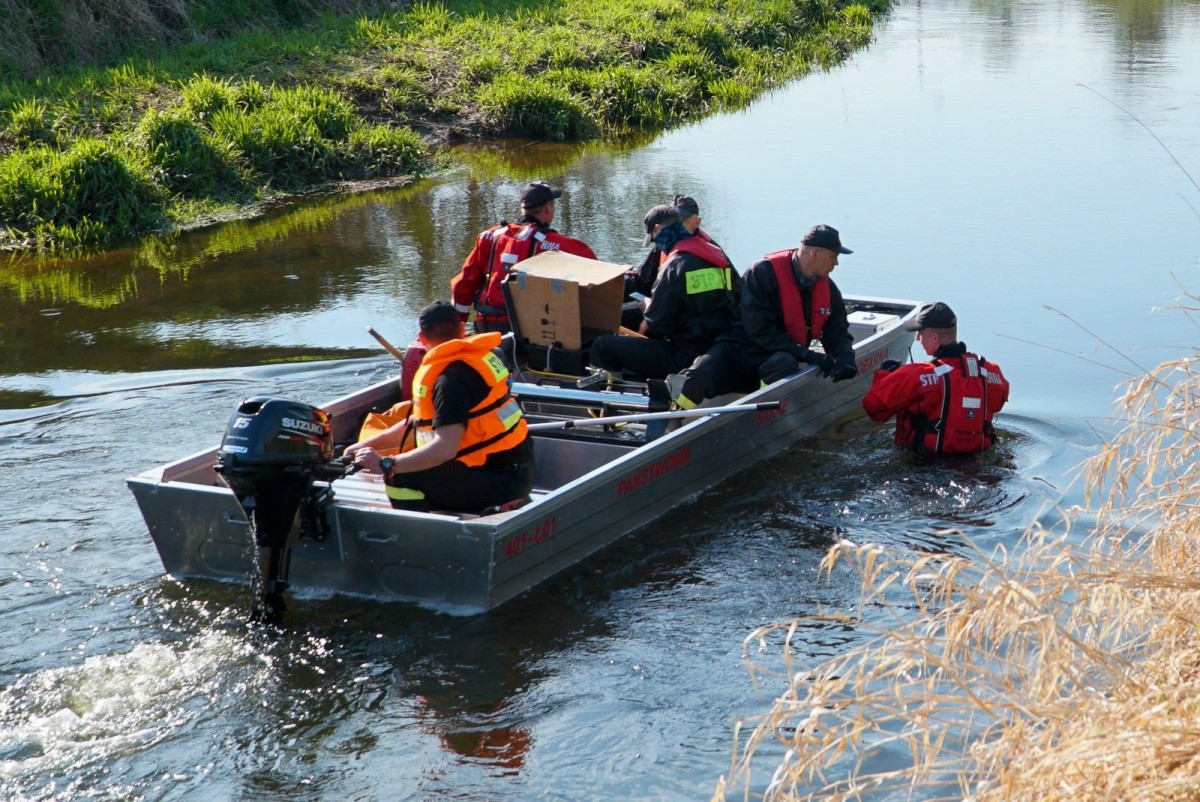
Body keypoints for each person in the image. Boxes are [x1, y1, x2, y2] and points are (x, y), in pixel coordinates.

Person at [348, 300, 534, 512]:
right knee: (411, 460)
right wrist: (359, 448)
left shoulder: (450, 380)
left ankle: (418, 535)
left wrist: (385, 464)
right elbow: (416, 425)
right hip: (513, 470)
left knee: (399, 476)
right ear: (463, 329)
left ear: (421, 338)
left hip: (501, 483)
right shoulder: (474, 359)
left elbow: (444, 449)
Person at [670, 224, 858, 408]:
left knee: (784, 364)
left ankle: (763, 410)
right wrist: (809, 355)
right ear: (814, 254)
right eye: (833, 256)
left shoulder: (828, 290)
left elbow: (837, 332)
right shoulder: (761, 274)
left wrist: (845, 356)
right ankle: (670, 420)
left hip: (775, 358)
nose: (836, 263)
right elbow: (760, 331)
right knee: (699, 373)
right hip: (739, 350)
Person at [590, 203, 740, 381]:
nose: (658, 247)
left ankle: (608, 395)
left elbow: (658, 325)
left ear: (658, 229)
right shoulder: (716, 255)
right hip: (719, 351)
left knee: (602, 346)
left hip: (683, 358)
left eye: (654, 238)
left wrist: (647, 306)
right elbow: (738, 298)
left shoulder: (673, 266)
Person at [862, 301, 1010, 455]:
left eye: (921, 332)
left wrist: (884, 375)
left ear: (934, 337)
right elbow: (996, 403)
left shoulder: (916, 374)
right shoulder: (992, 372)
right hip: (976, 461)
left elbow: (874, 408)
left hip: (923, 465)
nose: (918, 338)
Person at [451, 180, 598, 334]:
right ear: (548, 208)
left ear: (523, 210)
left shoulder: (489, 237)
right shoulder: (559, 244)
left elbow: (463, 286)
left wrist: (456, 329)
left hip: (487, 328)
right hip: (533, 332)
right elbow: (601, 274)